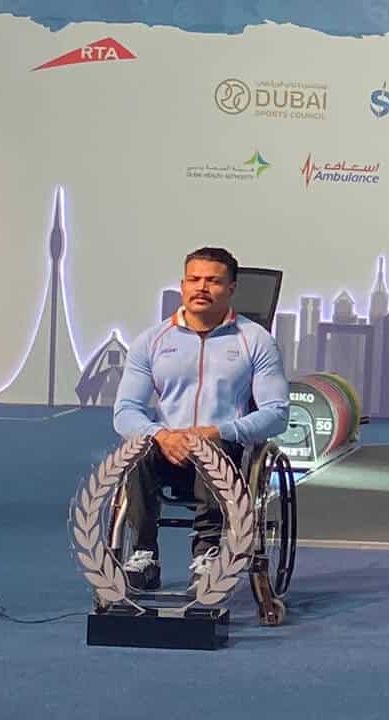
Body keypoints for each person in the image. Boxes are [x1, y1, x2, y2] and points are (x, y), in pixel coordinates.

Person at [113, 246, 289, 590]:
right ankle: (144, 554)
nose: (202, 288)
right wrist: (162, 436)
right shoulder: (151, 341)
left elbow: (277, 414)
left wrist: (218, 431)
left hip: (227, 454)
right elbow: (125, 411)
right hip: (168, 451)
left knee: (213, 448)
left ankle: (207, 551)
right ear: (182, 286)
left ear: (231, 289)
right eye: (194, 279)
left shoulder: (256, 341)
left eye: (213, 281)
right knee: (136, 448)